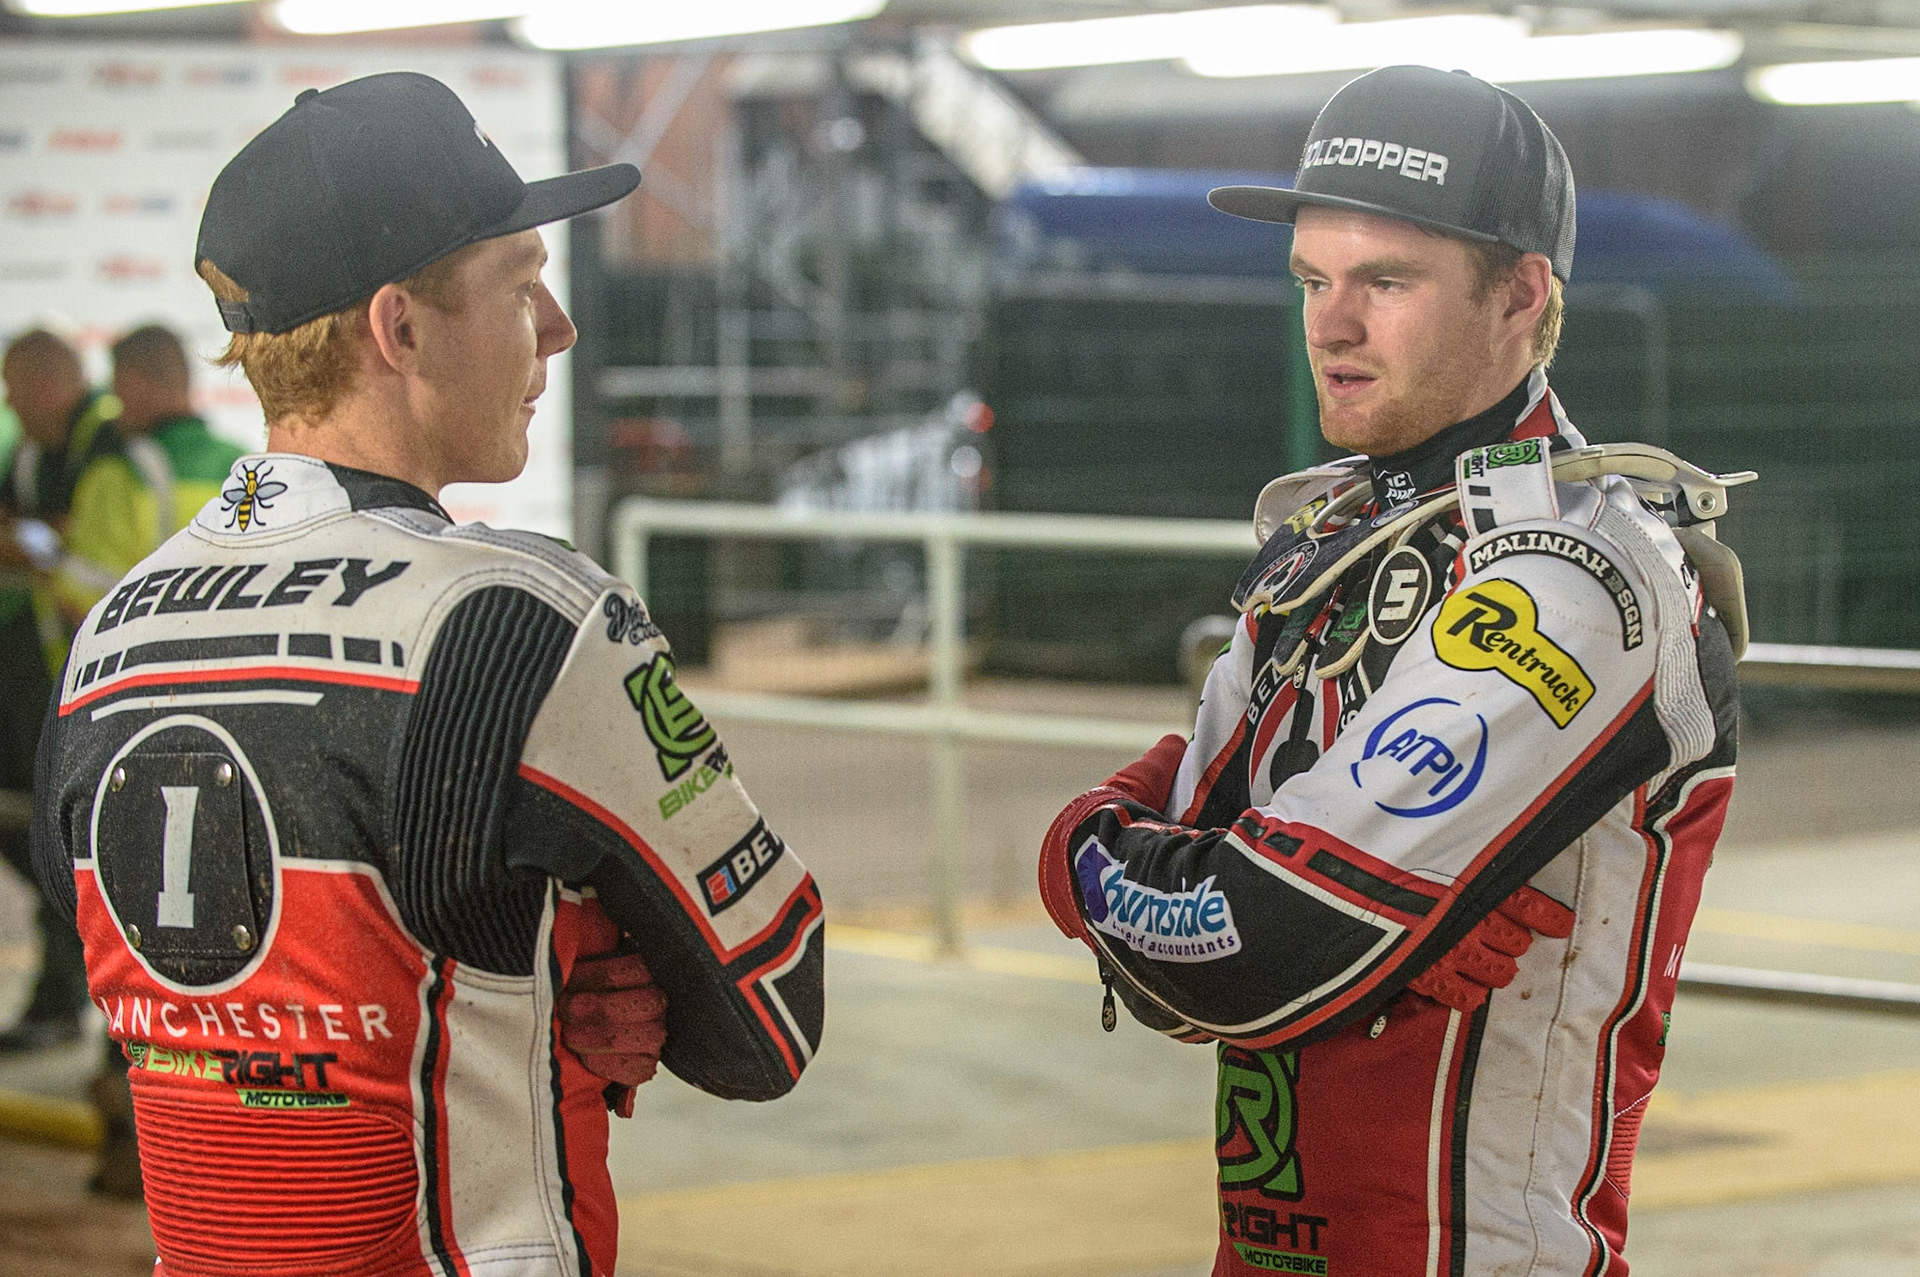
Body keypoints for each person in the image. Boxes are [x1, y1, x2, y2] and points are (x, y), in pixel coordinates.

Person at [32, 72, 823, 1275]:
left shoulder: (110, 634)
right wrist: (575, 977)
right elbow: (770, 1019)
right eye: (521, 284)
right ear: (399, 328)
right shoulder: (521, 617)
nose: (557, 327)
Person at [1038, 66, 1747, 1276]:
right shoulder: (1325, 540)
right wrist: (1107, 853)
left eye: (1387, 281)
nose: (1330, 322)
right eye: (1314, 278)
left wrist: (1090, 852)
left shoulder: (1576, 575)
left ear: (1523, 294)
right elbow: (1184, 977)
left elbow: (1250, 938)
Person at [1, 329, 162, 1055]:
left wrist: (40, 541)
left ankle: (108, 1022)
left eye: (15, 385)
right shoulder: (30, 453)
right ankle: (78, 1001)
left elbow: (77, 545)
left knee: (92, 842)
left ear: (51, 381)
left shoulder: (111, 444)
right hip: (51, 671)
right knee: (40, 831)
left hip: (117, 684)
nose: (8, 401)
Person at [110, 324, 250, 536]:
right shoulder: (244, 465)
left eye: (117, 387)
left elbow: (89, 568)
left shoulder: (116, 473)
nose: (114, 403)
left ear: (134, 384)